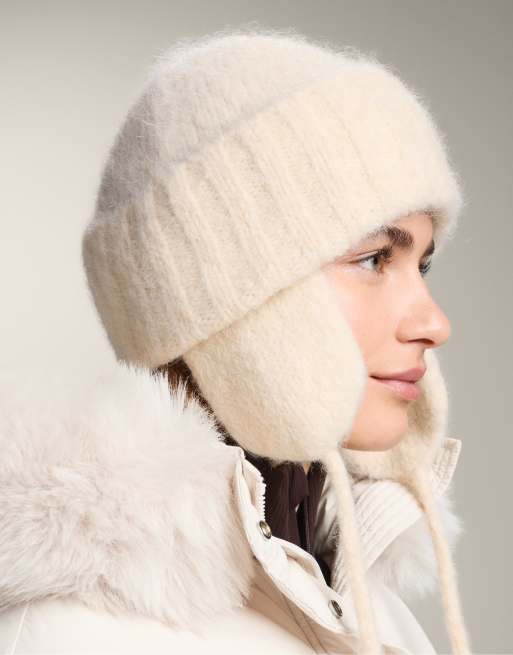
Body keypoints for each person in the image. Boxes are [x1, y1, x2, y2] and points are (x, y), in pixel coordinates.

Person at [0, 27, 472, 654]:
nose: (434, 323)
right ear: (225, 299)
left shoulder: (375, 615)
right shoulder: (72, 635)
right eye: (374, 258)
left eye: (422, 265)